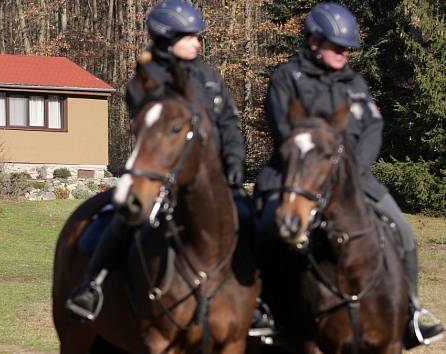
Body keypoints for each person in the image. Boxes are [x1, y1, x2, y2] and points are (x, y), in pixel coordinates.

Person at [65, 0, 274, 335]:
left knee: (250, 219)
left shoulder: (208, 76)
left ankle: (259, 302)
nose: (198, 43)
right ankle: (93, 284)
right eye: (189, 37)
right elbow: (154, 124)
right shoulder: (147, 78)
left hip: (211, 179)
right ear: (166, 38)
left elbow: (229, 124)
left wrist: (234, 165)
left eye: (197, 37)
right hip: (161, 176)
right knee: (126, 216)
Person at [254, 2, 443, 348]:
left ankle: (411, 311)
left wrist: (353, 171)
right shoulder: (287, 78)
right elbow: (286, 132)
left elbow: (373, 127)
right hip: (296, 176)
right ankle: (265, 310)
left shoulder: (354, 83)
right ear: (314, 43)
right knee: (266, 228)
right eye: (337, 46)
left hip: (353, 180)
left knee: (402, 230)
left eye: (348, 48)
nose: (344, 53)